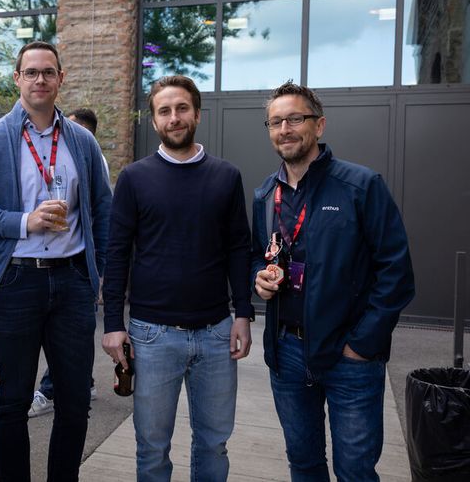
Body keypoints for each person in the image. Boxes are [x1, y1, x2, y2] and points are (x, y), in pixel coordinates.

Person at [0, 41, 112, 482]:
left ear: (61, 79)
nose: (40, 79)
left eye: (49, 72)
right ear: (17, 79)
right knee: (13, 401)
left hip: (73, 282)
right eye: (31, 72)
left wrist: (99, 277)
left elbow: (103, 210)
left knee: (75, 400)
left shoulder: (82, 141)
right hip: (15, 282)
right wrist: (24, 222)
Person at [252, 81, 415, 481]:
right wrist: (258, 278)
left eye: (295, 118)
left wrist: (362, 345)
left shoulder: (361, 186)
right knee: (304, 465)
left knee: (355, 471)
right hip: (287, 352)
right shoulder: (264, 196)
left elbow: (396, 272)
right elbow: (259, 255)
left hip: (350, 356)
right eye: (276, 121)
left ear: (319, 125)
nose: (285, 128)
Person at [102, 75, 253, 482]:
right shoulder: (134, 178)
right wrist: (113, 324)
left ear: (197, 114)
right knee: (151, 447)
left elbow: (240, 248)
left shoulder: (226, 176)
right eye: (165, 111)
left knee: (213, 443)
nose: (174, 118)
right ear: (154, 121)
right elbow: (116, 255)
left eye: (182, 108)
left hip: (217, 333)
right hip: (152, 336)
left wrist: (243, 313)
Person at [29, 108, 103, 418]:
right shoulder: (15, 145)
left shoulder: (89, 157)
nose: (58, 135)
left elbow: (103, 212)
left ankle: (54, 388)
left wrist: (97, 271)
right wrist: (25, 222)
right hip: (25, 270)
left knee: (68, 345)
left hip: (73, 268)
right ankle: (78, 382)